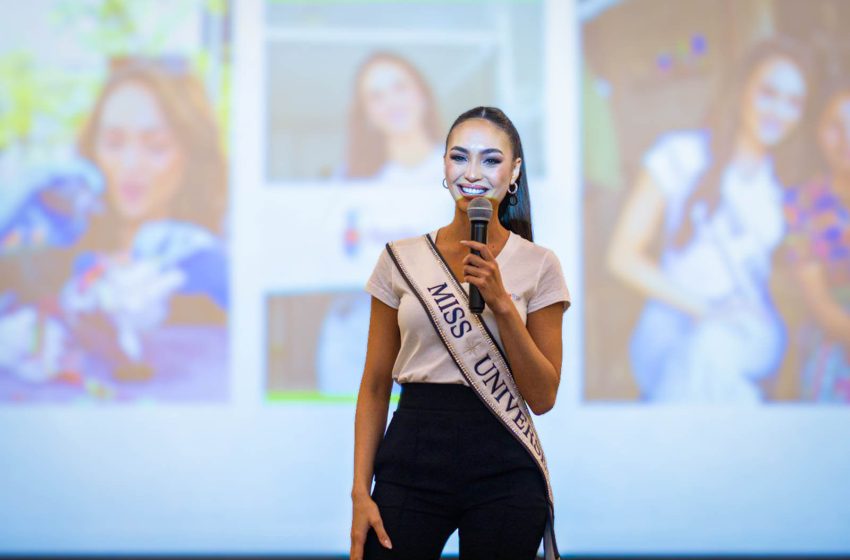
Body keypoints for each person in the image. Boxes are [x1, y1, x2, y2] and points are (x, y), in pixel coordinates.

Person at [350, 107, 570, 560]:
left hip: (503, 460)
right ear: (444, 167)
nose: (473, 173)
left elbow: (544, 397)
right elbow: (374, 385)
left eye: (491, 160)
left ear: (514, 172)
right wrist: (360, 493)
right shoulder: (400, 258)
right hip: (412, 450)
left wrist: (502, 304)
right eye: (459, 157)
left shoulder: (540, 264)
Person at [0, 57, 228, 397]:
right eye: (114, 143)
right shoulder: (51, 254)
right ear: (92, 150)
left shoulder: (212, 266)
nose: (130, 165)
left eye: (156, 147)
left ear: (192, 155)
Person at [606, 39, 810, 403]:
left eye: (793, 102)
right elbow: (621, 257)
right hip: (670, 323)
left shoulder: (786, 186)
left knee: (710, 352)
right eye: (768, 93)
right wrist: (706, 310)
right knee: (718, 379)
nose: (779, 111)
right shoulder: (679, 155)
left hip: (748, 331)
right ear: (742, 87)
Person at [783, 74, 850, 402]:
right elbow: (820, 304)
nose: (847, 140)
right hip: (836, 334)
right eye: (835, 127)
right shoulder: (801, 203)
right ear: (817, 133)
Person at [342, 51, 444, 184]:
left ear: (422, 94)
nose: (392, 103)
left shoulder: (466, 170)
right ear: (367, 116)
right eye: (376, 96)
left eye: (400, 87)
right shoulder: (353, 180)